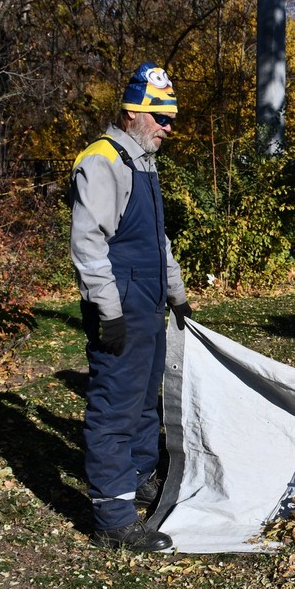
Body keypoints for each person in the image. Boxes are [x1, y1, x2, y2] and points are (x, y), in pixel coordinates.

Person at [68, 62, 192, 552]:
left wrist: (177, 294)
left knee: (144, 400)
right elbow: (88, 245)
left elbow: (155, 241)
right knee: (114, 406)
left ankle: (139, 477)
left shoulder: (142, 160)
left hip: (149, 305)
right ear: (132, 111)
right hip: (119, 306)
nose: (167, 127)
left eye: (171, 118)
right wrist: (108, 312)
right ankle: (113, 516)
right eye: (159, 117)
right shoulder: (104, 160)